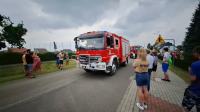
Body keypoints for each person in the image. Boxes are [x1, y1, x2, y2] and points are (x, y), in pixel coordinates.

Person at [182, 46, 200, 112]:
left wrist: (190, 71)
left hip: (194, 91)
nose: (193, 54)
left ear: (197, 53)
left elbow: (193, 78)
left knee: (185, 108)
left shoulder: (195, 64)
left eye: (194, 52)